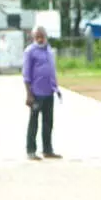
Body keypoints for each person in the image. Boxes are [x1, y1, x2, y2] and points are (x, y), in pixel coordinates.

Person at [23, 26, 61, 160]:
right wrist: (29, 94)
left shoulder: (49, 50)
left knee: (48, 123)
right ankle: (31, 151)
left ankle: (47, 150)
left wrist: (56, 88)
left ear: (46, 36)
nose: (40, 39)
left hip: (49, 92)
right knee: (33, 123)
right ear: (34, 37)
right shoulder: (30, 51)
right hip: (36, 93)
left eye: (42, 36)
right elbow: (26, 75)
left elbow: (52, 71)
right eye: (37, 36)